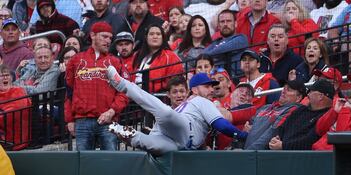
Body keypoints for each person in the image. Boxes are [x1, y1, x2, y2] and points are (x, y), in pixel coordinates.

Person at [107, 71, 248, 156]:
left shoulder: (196, 102)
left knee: (150, 143)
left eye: (212, 86)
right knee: (165, 112)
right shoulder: (202, 101)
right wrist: (242, 135)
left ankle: (116, 128)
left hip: (176, 143)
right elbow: (222, 125)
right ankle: (123, 84)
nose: (212, 89)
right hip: (183, 129)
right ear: (194, 90)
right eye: (207, 86)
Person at [64, 21, 129, 151]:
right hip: (82, 121)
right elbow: (69, 92)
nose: (108, 41)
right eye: (104, 36)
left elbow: (125, 92)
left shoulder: (116, 62)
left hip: (108, 120)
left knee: (110, 163)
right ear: (93, 35)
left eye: (110, 38)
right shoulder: (76, 60)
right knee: (83, 164)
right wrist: (69, 120)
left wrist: (112, 111)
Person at [269, 79, 334, 150]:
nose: (308, 94)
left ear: (320, 96)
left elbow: (309, 141)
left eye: (310, 91)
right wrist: (275, 138)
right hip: (281, 152)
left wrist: (284, 146)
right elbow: (282, 127)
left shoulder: (326, 116)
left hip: (302, 157)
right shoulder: (301, 109)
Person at [244, 79, 305, 150]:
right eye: (284, 88)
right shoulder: (266, 107)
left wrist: (249, 152)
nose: (283, 92)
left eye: (289, 90)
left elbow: (272, 133)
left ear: (298, 98)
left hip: (259, 156)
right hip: (247, 152)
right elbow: (249, 125)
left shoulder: (293, 110)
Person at [132, 24, 184, 93]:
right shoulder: (137, 55)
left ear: (163, 37)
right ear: (146, 37)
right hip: (134, 96)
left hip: (158, 97)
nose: (155, 36)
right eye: (151, 34)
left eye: (158, 34)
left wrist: (146, 86)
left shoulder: (170, 56)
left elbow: (173, 83)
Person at [204, 9, 248, 76]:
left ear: (235, 24)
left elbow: (222, 49)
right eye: (222, 22)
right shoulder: (215, 42)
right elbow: (203, 55)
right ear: (218, 26)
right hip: (216, 80)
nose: (225, 24)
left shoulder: (241, 38)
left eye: (228, 21)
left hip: (237, 79)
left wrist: (213, 57)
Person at [0, 64, 31, 150]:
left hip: (16, 139)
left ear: (11, 78)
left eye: (7, 75)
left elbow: (15, 113)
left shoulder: (18, 91)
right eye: (2, 76)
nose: (5, 78)